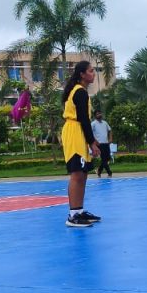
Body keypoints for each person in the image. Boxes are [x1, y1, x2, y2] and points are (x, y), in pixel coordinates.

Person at [62, 60, 101, 227]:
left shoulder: (79, 91)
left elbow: (85, 120)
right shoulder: (80, 92)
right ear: (82, 74)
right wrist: (91, 141)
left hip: (78, 131)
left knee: (83, 173)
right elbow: (84, 119)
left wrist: (91, 139)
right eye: (91, 71)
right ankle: (73, 215)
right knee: (77, 174)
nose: (93, 73)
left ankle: (79, 211)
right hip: (74, 132)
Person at [90, 110, 113, 177]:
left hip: (106, 143)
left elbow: (110, 130)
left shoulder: (105, 123)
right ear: (95, 116)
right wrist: (94, 141)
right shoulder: (93, 124)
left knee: (107, 158)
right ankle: (109, 172)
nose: (99, 115)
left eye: (100, 113)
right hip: (99, 144)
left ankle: (99, 171)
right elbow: (90, 133)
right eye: (97, 114)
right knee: (104, 159)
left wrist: (110, 138)